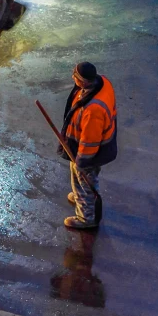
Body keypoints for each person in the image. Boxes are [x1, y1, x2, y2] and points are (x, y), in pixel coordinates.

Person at [60, 61, 117, 230]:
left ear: (84, 82)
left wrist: (82, 162)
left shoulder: (93, 110)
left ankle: (87, 218)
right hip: (87, 145)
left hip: (90, 152)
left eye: (75, 76)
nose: (72, 77)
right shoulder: (102, 82)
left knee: (84, 179)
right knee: (83, 179)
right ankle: (82, 196)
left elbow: (89, 141)